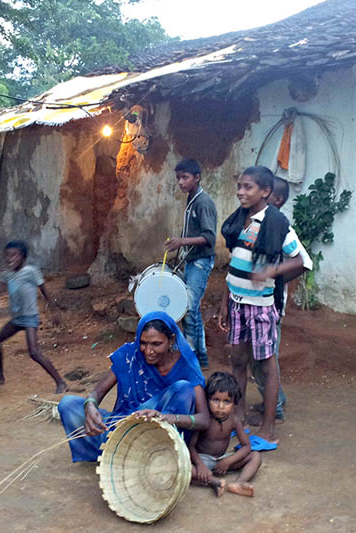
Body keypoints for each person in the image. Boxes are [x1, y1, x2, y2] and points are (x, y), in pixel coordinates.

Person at [219, 166, 304, 444]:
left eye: (248, 187)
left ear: (265, 192)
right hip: (237, 303)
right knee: (239, 361)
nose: (241, 192)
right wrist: (225, 302)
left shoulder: (275, 221)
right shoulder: (240, 219)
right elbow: (233, 266)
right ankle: (238, 416)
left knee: (267, 367)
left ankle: (269, 426)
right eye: (240, 186)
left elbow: (299, 260)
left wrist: (271, 271)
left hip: (261, 306)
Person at [58, 311, 210, 462]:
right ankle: (117, 450)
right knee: (67, 404)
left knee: (183, 388)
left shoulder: (186, 366)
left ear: (171, 340)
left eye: (156, 344)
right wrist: (90, 405)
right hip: (123, 426)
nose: (148, 351)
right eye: (143, 343)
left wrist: (171, 418)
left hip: (159, 436)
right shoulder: (130, 355)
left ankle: (152, 455)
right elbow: (98, 391)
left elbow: (204, 419)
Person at [251, 176, 313, 422]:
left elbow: (304, 263)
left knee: (266, 358)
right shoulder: (259, 224)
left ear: (275, 199)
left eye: (264, 193)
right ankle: (277, 398)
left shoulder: (283, 228)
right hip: (254, 302)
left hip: (271, 305)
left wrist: (276, 278)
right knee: (259, 358)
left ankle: (274, 407)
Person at [0, 240, 67, 393]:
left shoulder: (31, 271)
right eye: (7, 256)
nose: (10, 259)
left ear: (23, 257)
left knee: (34, 352)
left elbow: (45, 291)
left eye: (14, 255)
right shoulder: (6, 274)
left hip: (29, 318)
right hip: (16, 319)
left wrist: (53, 311)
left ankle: (60, 382)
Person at [165, 159, 217, 369]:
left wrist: (182, 241)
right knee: (190, 309)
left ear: (197, 177)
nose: (180, 182)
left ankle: (193, 357)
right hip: (192, 260)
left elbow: (209, 237)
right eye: (178, 178)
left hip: (201, 262)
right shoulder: (192, 199)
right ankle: (199, 357)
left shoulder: (203, 202)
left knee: (189, 308)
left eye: (185, 177)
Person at [190, 372, 261, 498]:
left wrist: (228, 461)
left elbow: (246, 446)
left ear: (234, 403)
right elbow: (191, 447)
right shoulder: (205, 419)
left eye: (227, 402)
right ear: (207, 399)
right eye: (216, 400)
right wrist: (200, 465)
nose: (220, 406)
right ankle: (213, 482)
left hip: (222, 459)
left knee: (255, 456)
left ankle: (239, 483)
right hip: (202, 460)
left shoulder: (234, 420)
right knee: (184, 469)